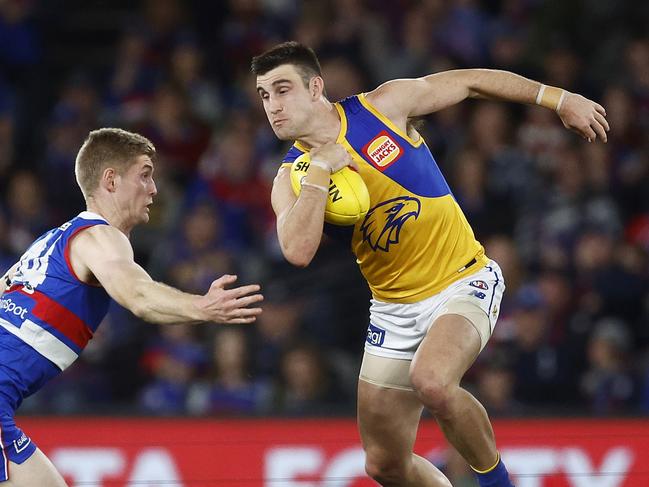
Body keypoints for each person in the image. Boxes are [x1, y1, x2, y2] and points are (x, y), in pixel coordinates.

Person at [251, 41, 609, 487]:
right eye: (264, 95)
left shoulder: (381, 107)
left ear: (316, 87)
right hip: (393, 310)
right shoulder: (292, 177)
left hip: (463, 279)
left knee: (433, 381)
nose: (273, 105)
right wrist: (321, 170)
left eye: (282, 89)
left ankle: (498, 483)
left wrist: (558, 98)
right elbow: (297, 250)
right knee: (384, 464)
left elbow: (469, 82)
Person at [0, 128, 263, 486]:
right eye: (144, 174)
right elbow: (137, 294)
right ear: (111, 180)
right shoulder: (101, 238)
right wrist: (202, 306)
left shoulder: (51, 241)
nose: (154, 188)